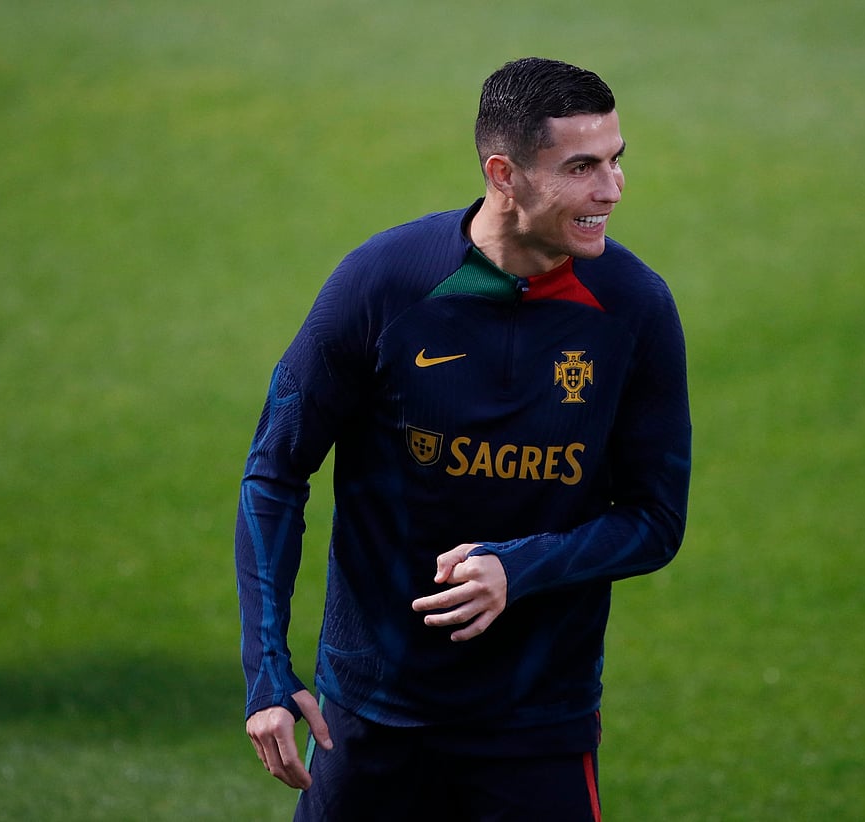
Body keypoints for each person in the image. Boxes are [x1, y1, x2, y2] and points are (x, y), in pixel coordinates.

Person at [235, 56, 691, 821]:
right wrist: (266, 673)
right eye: (581, 167)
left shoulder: (635, 310)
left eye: (616, 160)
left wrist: (520, 566)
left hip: (537, 729)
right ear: (504, 174)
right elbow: (274, 474)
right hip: (369, 721)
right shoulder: (383, 285)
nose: (612, 190)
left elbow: (656, 521)